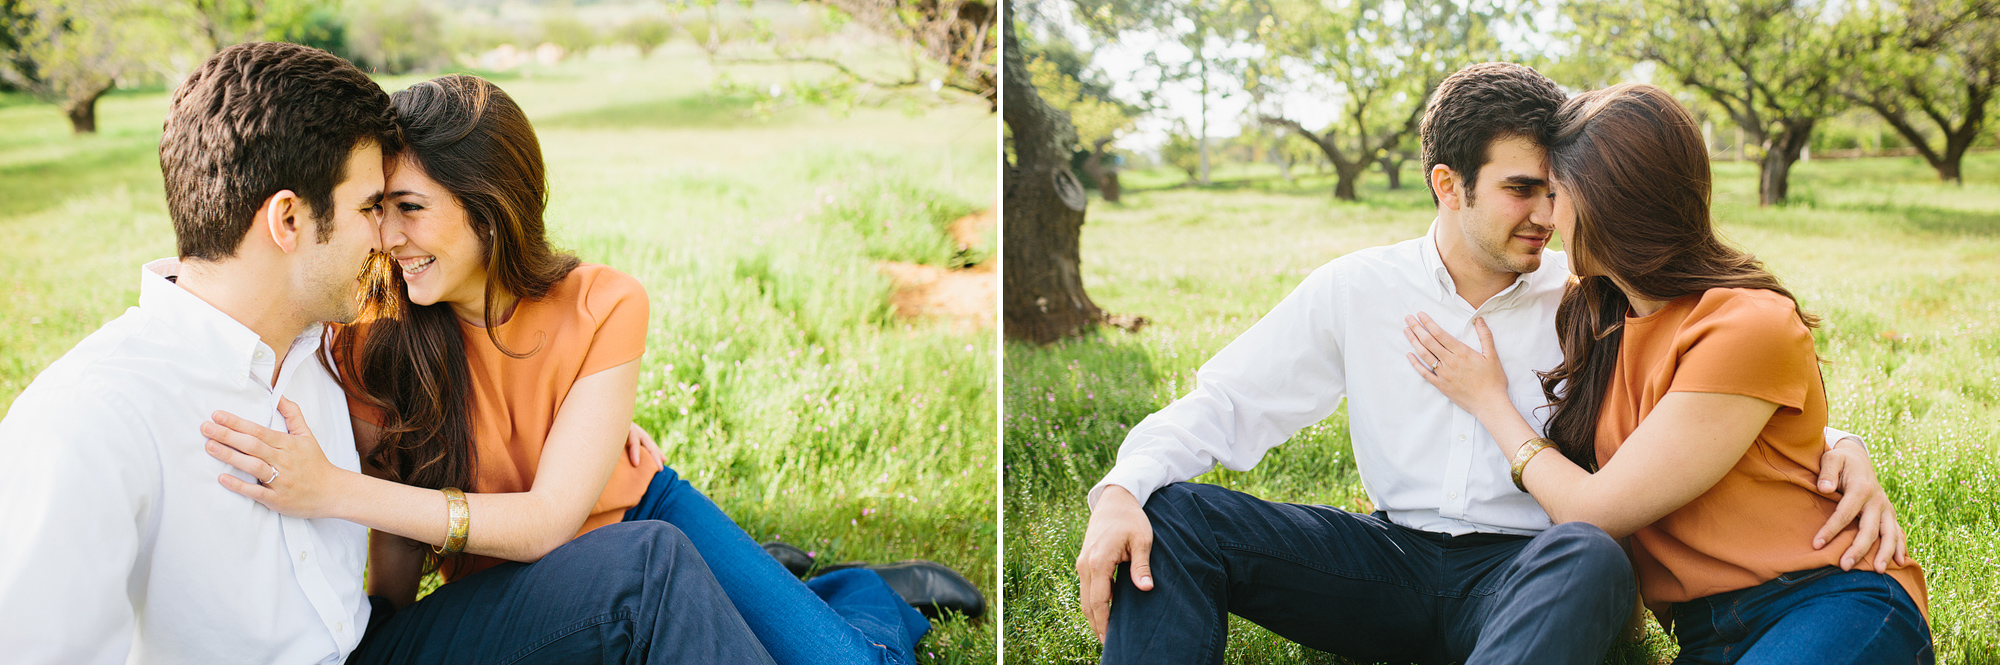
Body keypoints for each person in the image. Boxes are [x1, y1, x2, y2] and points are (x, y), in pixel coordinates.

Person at [1071, 62, 1907, 665]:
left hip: (1531, 572)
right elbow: (1224, 402)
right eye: (1520, 190)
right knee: (1173, 511)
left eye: (1556, 190)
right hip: (1387, 561)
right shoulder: (1361, 288)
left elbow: (1717, 381)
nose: (1546, 214)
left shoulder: (1590, 293)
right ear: (1448, 184)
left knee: (1589, 550)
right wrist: (1120, 487)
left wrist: (1838, 439)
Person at [0, 42, 773, 664]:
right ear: (288, 221)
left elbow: (416, 474)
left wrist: (593, 425)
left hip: (379, 643)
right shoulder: (88, 420)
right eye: (373, 207)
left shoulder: (322, 347)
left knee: (646, 566)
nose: (386, 238)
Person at [196, 73, 976, 665]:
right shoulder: (379, 331)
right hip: (536, 581)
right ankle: (760, 576)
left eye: (411, 208)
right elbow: (394, 504)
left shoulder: (604, 302)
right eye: (379, 210)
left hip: (644, 516)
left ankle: (857, 590)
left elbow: (543, 519)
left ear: (489, 204)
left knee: (851, 660)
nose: (389, 238)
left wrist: (334, 489)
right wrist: (394, 621)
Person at [1400, 82, 1931, 663]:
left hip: (1824, 600)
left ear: (1611, 201)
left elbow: (1591, 512)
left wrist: (1491, 404)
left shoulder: (1745, 321)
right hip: (1706, 639)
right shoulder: (1600, 317)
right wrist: (1843, 441)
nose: (1547, 216)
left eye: (1556, 193)